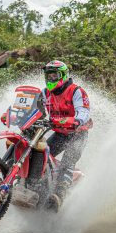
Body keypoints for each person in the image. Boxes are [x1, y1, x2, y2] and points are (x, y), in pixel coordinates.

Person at [42, 60, 92, 211]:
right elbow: (34, 109)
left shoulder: (76, 91)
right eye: (48, 76)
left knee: (66, 164)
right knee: (39, 155)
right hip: (59, 134)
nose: (51, 79)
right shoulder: (45, 93)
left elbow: (83, 110)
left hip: (78, 134)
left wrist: (77, 120)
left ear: (63, 75)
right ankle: (38, 186)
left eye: (54, 75)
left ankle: (57, 197)